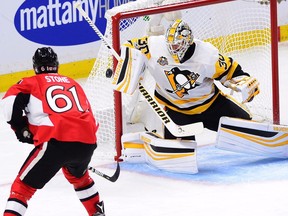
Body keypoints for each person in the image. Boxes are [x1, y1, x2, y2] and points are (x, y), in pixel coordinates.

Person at [114, 19, 260, 140]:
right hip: (175, 110)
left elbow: (231, 71)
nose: (173, 49)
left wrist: (245, 84)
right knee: (180, 148)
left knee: (247, 126)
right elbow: (129, 46)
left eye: (177, 45)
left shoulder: (207, 55)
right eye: (170, 45)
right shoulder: (154, 45)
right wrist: (129, 64)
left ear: (187, 41)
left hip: (210, 105)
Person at [1, 47, 105, 216]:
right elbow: (91, 117)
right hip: (87, 141)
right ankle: (97, 213)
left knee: (21, 189)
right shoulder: (73, 83)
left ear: (35, 66)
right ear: (56, 65)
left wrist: (21, 128)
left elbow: (9, 104)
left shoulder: (31, 82)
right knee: (80, 178)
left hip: (56, 140)